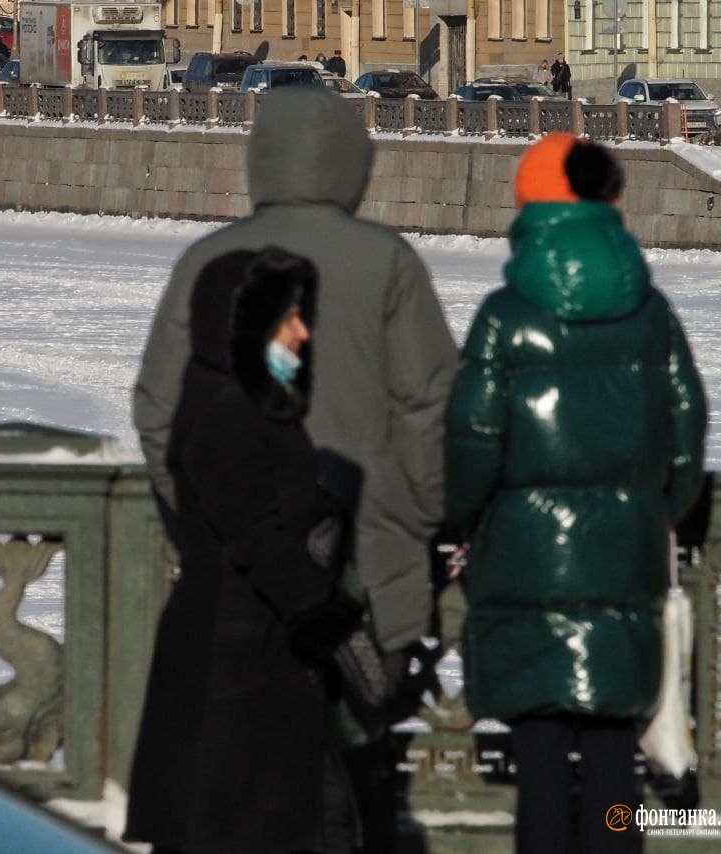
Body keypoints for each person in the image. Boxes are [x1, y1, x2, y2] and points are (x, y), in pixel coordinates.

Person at [133, 87, 457, 852]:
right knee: (351, 768)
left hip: (240, 588)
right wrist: (419, 522)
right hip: (366, 561)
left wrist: (205, 527)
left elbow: (156, 413)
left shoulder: (209, 260)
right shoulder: (388, 259)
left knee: (264, 780)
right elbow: (430, 411)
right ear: (354, 162)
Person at [445, 134, 707, 854]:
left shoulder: (504, 314)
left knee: (539, 763)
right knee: (612, 759)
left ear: (529, 207)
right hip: (625, 557)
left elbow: (471, 438)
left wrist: (465, 520)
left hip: (524, 561)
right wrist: (660, 508)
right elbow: (687, 428)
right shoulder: (650, 313)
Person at [125, 247, 362, 853]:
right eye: (289, 319)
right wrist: (320, 612)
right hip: (236, 666)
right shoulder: (226, 411)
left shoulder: (236, 400)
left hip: (252, 654)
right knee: (246, 827)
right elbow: (254, 532)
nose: (304, 332)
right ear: (248, 324)